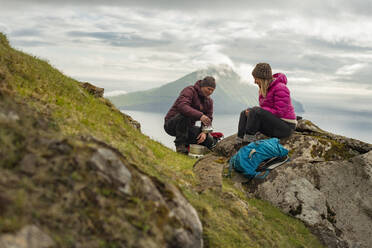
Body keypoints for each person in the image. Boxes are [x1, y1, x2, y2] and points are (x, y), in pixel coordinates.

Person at [236, 63, 297, 145]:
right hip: (275, 124)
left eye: (256, 79)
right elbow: (264, 112)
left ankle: (248, 142)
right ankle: (239, 142)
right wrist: (252, 113)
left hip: (285, 126)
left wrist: (257, 111)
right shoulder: (264, 89)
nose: (254, 82)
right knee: (244, 113)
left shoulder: (280, 88)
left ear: (262, 78)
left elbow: (280, 112)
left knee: (255, 110)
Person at [164, 76, 216, 154]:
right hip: (172, 124)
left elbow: (209, 118)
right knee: (185, 114)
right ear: (202, 86)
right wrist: (200, 115)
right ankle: (180, 146)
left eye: (212, 90)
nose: (210, 92)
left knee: (209, 139)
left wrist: (204, 132)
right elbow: (182, 106)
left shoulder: (209, 101)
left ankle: (191, 148)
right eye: (209, 89)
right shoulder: (189, 90)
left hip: (187, 127)